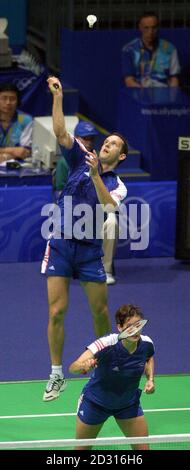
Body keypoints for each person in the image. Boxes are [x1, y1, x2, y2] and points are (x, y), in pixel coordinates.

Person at [41, 76, 128, 402]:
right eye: (107, 141)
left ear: (121, 157)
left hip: (90, 251)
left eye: (115, 144)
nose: (108, 144)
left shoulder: (118, 183)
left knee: (100, 313)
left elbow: (109, 206)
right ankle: (56, 374)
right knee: (56, 312)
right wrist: (59, 97)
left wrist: (95, 175)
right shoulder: (81, 156)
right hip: (61, 243)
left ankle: (104, 371)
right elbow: (62, 133)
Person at [69, 304, 155, 450]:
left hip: (128, 404)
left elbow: (149, 358)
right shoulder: (106, 343)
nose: (135, 330)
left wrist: (150, 379)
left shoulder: (146, 343)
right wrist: (83, 366)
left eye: (138, 325)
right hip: (95, 404)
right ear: (119, 328)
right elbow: (73, 367)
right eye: (130, 326)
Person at [54, 120, 121, 285]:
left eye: (91, 138)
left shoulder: (99, 161)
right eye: (85, 138)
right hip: (74, 208)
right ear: (76, 138)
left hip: (96, 210)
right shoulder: (68, 160)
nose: (89, 142)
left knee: (112, 221)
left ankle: (106, 270)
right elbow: (60, 192)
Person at [122, 12, 180, 88]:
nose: (150, 32)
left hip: (163, 94)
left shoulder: (170, 48)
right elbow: (129, 81)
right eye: (146, 28)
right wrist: (143, 94)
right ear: (140, 27)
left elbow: (174, 79)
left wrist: (172, 96)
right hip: (139, 94)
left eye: (154, 27)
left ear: (158, 27)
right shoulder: (129, 49)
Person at [0, 83, 33, 163]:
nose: (8, 102)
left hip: (18, 165)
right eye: (4, 98)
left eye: (12, 99)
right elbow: (17, 151)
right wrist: (13, 150)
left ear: (18, 101)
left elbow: (25, 152)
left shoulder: (26, 120)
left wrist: (5, 156)